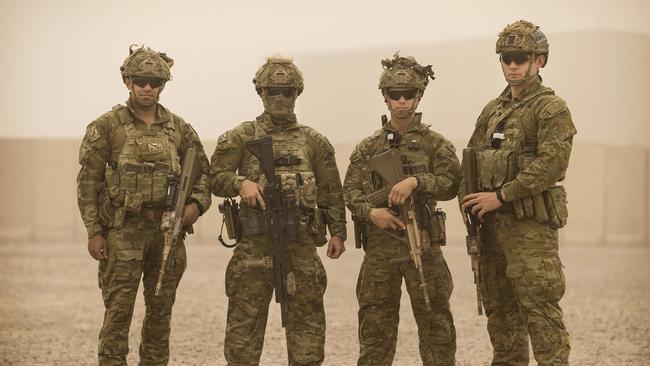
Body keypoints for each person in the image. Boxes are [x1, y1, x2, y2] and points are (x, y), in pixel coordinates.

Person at [76, 45, 212, 365]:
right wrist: (95, 230)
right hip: (123, 232)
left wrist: (194, 207)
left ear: (163, 85)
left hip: (167, 233)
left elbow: (202, 175)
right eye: (140, 80)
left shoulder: (179, 129)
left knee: (160, 315)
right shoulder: (106, 127)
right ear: (127, 81)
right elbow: (88, 182)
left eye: (154, 81)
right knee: (118, 313)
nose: (147, 87)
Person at [209, 56, 347, 366]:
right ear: (261, 93)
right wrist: (240, 183)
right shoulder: (241, 137)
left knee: (308, 332)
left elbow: (331, 191)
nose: (280, 98)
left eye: (287, 92)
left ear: (297, 93)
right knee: (243, 333)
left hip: (300, 245)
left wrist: (338, 231)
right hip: (254, 246)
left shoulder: (314, 142)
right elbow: (213, 176)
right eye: (273, 91)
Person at [459, 20, 576, 365]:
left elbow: (551, 164)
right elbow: (471, 158)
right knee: (501, 315)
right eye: (506, 57)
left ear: (540, 60)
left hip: (529, 231)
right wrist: (469, 199)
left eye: (520, 57)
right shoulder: (493, 111)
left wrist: (502, 195)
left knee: (540, 313)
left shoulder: (550, 108)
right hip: (491, 230)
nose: (512, 65)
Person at [343, 53, 460, 366]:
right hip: (381, 252)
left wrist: (416, 182)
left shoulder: (436, 144)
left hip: (422, 245)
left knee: (437, 331)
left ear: (419, 96)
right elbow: (350, 191)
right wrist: (371, 213)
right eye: (396, 95)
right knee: (375, 336)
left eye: (409, 95)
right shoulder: (368, 148)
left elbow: (451, 183)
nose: (402, 101)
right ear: (385, 97)